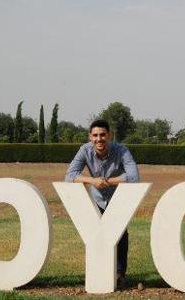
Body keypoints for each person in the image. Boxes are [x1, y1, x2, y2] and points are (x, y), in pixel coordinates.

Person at [65, 119, 139, 289]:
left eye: (103, 135)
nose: (99, 139)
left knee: (121, 235)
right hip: (97, 199)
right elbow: (70, 175)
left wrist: (107, 181)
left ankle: (120, 274)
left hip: (117, 198)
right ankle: (99, 273)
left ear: (109, 135)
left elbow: (134, 176)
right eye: (95, 135)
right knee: (96, 236)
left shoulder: (121, 150)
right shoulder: (85, 150)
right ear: (90, 137)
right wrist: (91, 180)